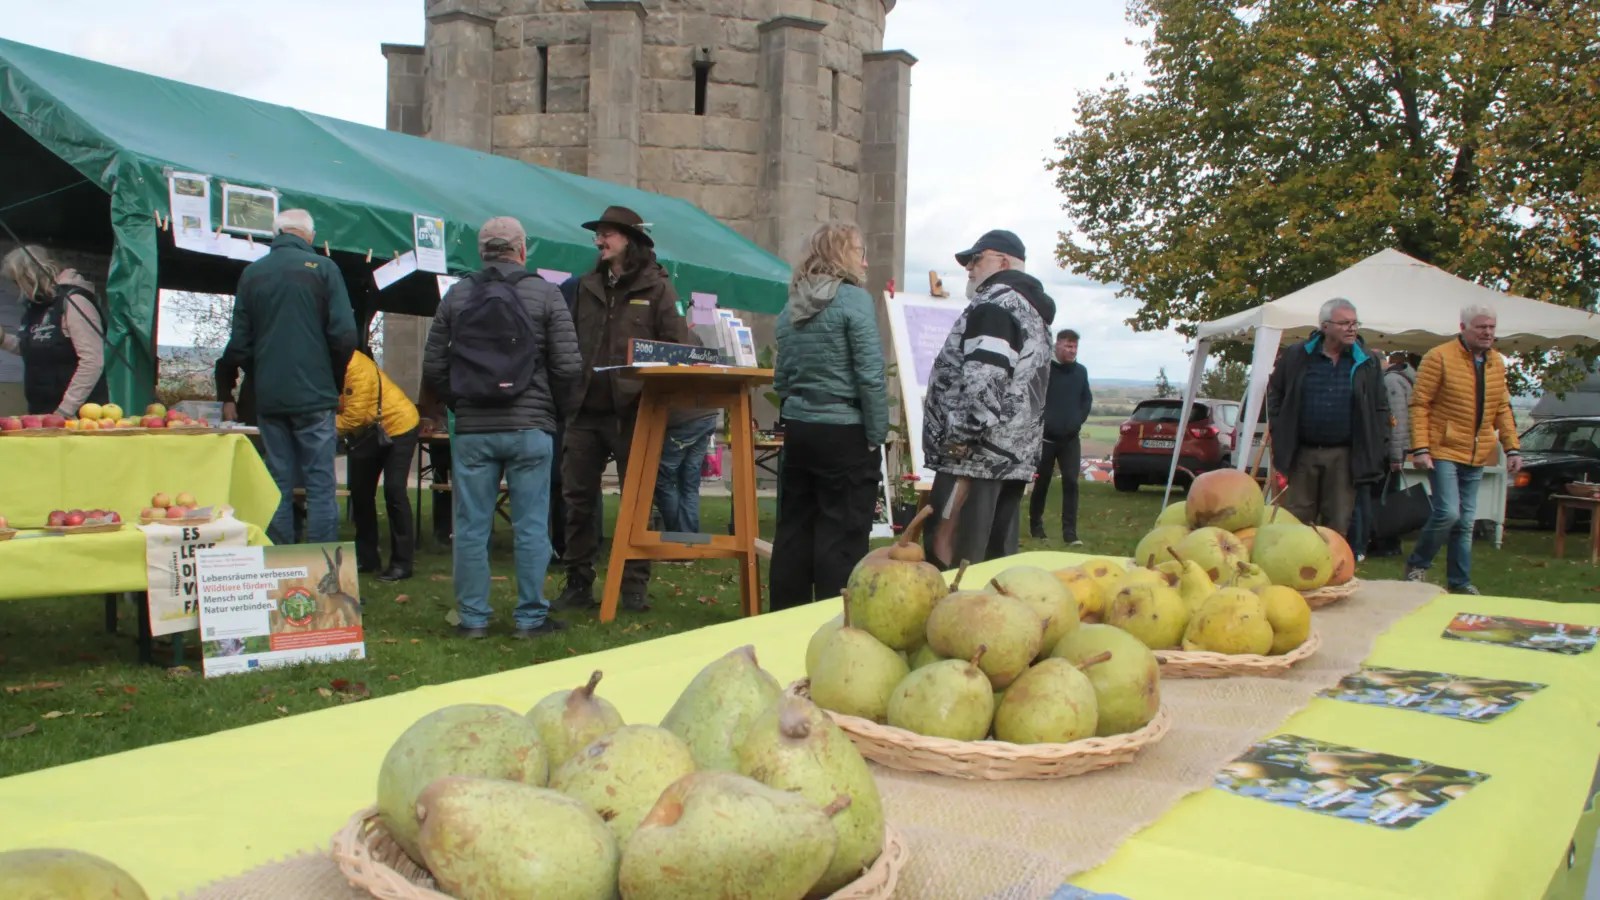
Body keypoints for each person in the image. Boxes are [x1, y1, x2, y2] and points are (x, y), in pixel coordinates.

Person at [424, 216, 581, 638]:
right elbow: (568, 365)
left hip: (474, 429)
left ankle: (473, 618)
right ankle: (531, 618)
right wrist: (554, 410)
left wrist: (461, 403)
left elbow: (434, 365)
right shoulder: (547, 294)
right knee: (531, 524)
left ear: (482, 252)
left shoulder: (457, 296)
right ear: (523, 250)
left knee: (472, 525)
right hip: (531, 426)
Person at [557, 206, 689, 613]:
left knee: (636, 502)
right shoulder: (585, 286)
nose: (599, 241)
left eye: (607, 235)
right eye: (598, 235)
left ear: (629, 239)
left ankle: (633, 586)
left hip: (636, 412)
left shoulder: (658, 288)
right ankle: (578, 582)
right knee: (577, 501)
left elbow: (677, 350)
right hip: (585, 412)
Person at [768, 222, 889, 609]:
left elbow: (782, 377)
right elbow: (870, 374)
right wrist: (877, 433)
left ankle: (783, 621)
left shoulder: (793, 304)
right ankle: (834, 622)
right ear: (840, 254)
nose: (865, 259)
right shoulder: (854, 300)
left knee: (794, 531)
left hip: (801, 428)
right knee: (843, 533)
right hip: (844, 430)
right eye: (858, 250)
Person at [219, 209, 358, 546]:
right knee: (321, 486)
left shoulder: (252, 274)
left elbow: (239, 343)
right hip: (315, 394)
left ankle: (282, 567)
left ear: (276, 233)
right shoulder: (324, 269)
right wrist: (334, 381)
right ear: (309, 236)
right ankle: (323, 571)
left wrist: (247, 381)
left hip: (270, 396)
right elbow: (344, 336)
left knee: (277, 482)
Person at [921, 229, 1055, 570]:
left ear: (1004, 261)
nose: (969, 267)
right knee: (993, 565)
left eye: (976, 258)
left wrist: (957, 441)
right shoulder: (1031, 310)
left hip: (973, 461)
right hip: (1008, 460)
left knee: (952, 563)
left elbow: (984, 386)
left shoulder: (995, 307)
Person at [1404, 305, 1522, 595]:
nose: (1488, 333)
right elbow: (1420, 404)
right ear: (1463, 327)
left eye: (1492, 327)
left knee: (1466, 521)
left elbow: (1502, 408)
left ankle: (1459, 582)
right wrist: (1420, 447)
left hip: (1477, 451)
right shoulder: (1439, 356)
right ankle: (1417, 565)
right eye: (1481, 327)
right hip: (1443, 447)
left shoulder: (1497, 362)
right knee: (1448, 513)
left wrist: (1513, 448)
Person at [1263, 298, 1391, 533]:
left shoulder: (1367, 361)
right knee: (1296, 521)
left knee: (1338, 522)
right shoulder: (1297, 355)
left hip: (1345, 455)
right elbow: (1276, 392)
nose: (1352, 328)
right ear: (1325, 326)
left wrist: (1379, 442)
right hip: (1303, 452)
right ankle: (1295, 567)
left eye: (1355, 323)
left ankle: (1334, 568)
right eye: (1344, 323)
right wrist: (1280, 427)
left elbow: (1381, 406)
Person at [338, 348, 420, 582]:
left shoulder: (356, 367)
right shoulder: (331, 366)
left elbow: (352, 417)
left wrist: (319, 426)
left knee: (394, 490)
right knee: (361, 493)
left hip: (399, 426)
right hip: (368, 432)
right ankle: (367, 557)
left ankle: (402, 563)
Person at [0, 246, 107, 417]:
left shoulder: (75, 302)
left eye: (17, 281)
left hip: (77, 416)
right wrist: (3, 339)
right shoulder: (36, 305)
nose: (17, 289)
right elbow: (36, 348)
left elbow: (93, 360)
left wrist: (64, 411)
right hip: (42, 411)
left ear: (31, 276)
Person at [1029, 328, 1092, 545]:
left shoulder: (1080, 372)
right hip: (1046, 439)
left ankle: (1070, 533)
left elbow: (1086, 400)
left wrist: (1077, 420)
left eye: (1074, 346)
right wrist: (1043, 423)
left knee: (1071, 483)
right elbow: (1034, 398)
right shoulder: (1045, 370)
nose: (1071, 350)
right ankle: (1036, 526)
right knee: (1042, 482)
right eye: (1067, 345)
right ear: (1057, 345)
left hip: (1070, 440)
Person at [655, 331, 721, 536]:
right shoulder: (692, 334)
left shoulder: (657, 338)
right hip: (706, 413)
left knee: (662, 479)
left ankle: (680, 540)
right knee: (689, 483)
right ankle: (690, 540)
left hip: (683, 418)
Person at [1363, 351, 1417, 558]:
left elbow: (1395, 421)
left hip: (1389, 449)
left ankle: (1387, 544)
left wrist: (1395, 455)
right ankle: (1384, 542)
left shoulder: (1390, 382)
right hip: (1394, 448)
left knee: (1383, 497)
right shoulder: (1400, 378)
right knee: (1386, 495)